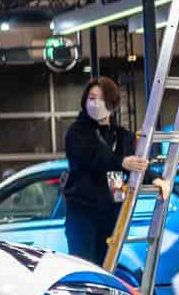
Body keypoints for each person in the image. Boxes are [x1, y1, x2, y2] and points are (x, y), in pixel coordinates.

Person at [64, 76, 149, 266]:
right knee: (85, 268)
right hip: (83, 213)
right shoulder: (77, 132)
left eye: (101, 99)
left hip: (111, 212)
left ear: (112, 104)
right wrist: (121, 162)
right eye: (91, 98)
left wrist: (156, 179)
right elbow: (90, 158)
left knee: (107, 268)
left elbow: (136, 163)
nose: (95, 103)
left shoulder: (121, 135)